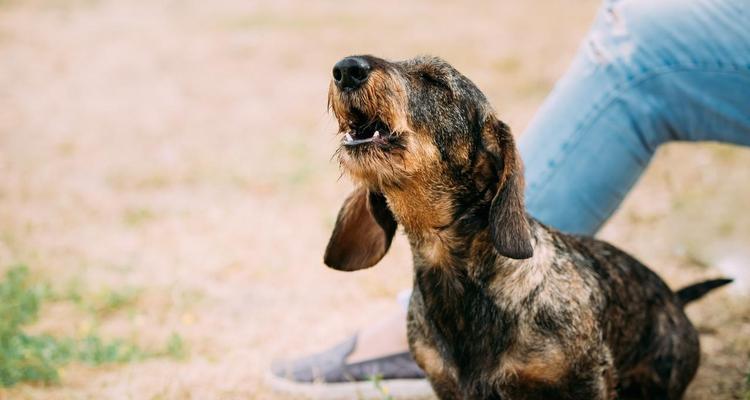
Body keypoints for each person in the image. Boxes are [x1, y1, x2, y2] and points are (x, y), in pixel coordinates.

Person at [269, 0, 750, 397]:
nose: (350, 72)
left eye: (434, 85)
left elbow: (588, 382)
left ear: (488, 161)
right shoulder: (426, 336)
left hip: (655, 347)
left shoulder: (553, 318)